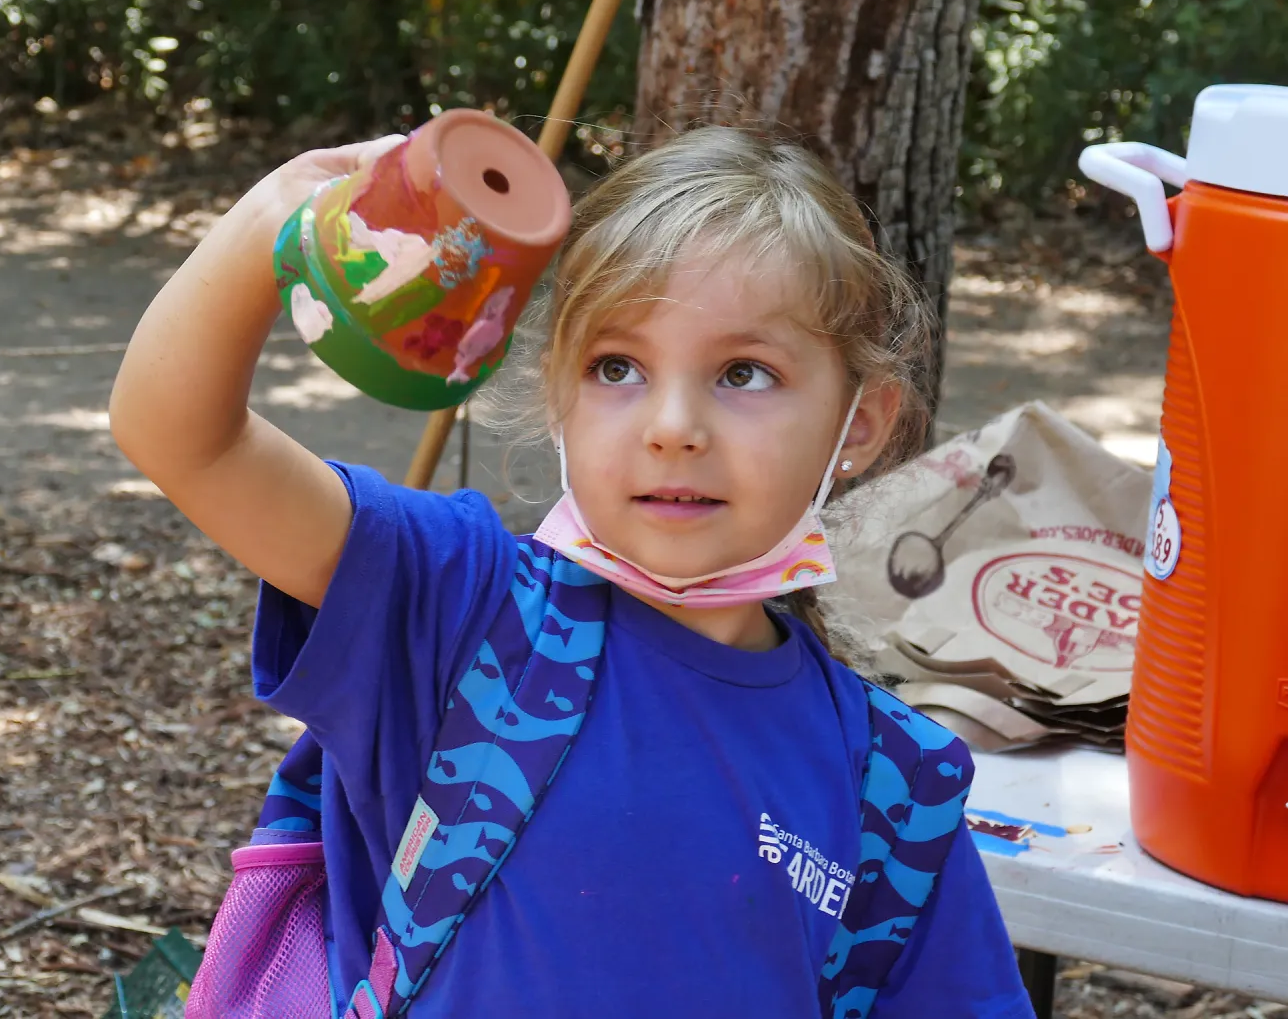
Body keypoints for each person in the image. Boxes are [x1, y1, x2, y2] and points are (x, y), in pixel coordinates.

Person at [110, 125, 1035, 1018]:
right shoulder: (457, 607)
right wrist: (283, 209)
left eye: (745, 374)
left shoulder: (896, 790)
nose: (672, 425)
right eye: (618, 366)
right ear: (559, 397)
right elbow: (182, 436)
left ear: (860, 425)